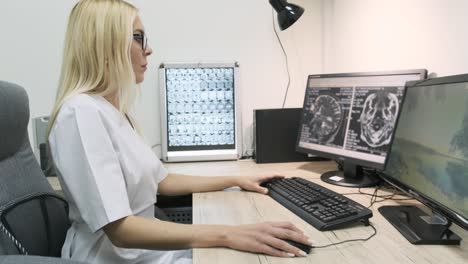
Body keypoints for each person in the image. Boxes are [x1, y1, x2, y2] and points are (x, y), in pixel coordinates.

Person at [47, 0, 313, 263]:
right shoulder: (80, 114)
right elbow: (120, 230)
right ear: (105, 44)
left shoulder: (112, 112)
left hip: (148, 253)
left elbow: (162, 181)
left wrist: (234, 180)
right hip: (115, 258)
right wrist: (229, 234)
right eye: (138, 38)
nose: (148, 49)